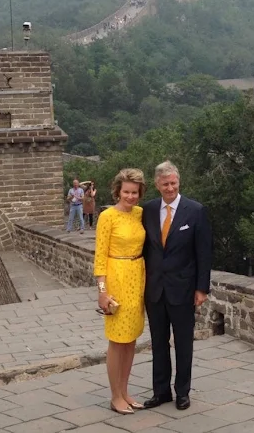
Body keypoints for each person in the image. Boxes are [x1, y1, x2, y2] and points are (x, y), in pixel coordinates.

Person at [142, 161, 213, 411]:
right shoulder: (148, 210)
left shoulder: (195, 210)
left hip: (183, 289)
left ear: (178, 182)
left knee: (183, 343)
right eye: (165, 184)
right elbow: (145, 250)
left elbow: (204, 253)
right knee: (158, 343)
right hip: (155, 290)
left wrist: (201, 288)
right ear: (157, 185)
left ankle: (182, 391)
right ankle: (160, 392)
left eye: (173, 183)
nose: (170, 187)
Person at [94, 169, 147, 415]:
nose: (130, 196)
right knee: (117, 341)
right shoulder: (107, 216)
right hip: (116, 276)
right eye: (126, 191)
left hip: (138, 277)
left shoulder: (139, 214)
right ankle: (115, 396)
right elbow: (100, 256)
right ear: (118, 191)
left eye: (134, 192)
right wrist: (102, 291)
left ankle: (125, 391)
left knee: (131, 339)